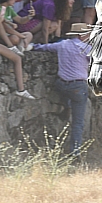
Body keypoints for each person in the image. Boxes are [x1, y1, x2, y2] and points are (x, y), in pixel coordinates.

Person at [33, 23, 93, 153]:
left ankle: (66, 107)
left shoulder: (63, 44)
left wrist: (31, 46)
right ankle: (75, 151)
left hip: (61, 85)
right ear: (81, 35)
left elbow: (44, 48)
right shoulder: (87, 49)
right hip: (78, 86)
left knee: (66, 93)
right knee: (78, 122)